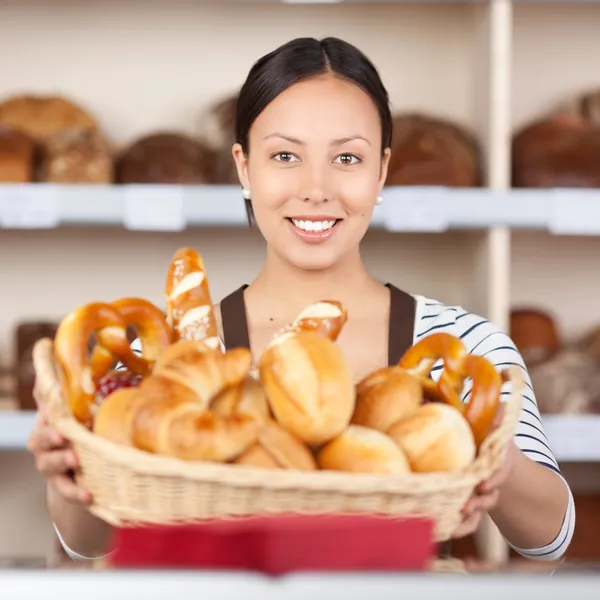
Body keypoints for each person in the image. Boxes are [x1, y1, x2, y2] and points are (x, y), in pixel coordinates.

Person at [28, 36, 574, 564]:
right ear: (244, 168)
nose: (316, 188)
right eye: (285, 156)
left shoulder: (460, 346)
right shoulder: (175, 354)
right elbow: (90, 546)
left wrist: (490, 451)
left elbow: (550, 537)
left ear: (382, 170)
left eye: (347, 159)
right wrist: (69, 474)